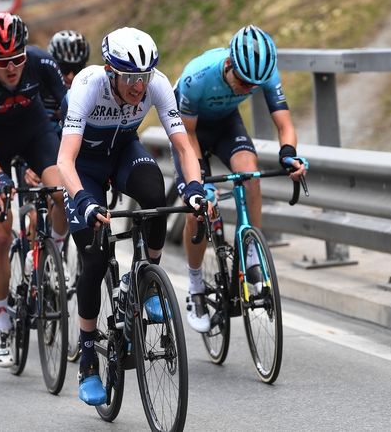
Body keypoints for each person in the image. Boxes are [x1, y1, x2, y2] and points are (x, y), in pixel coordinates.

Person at [56, 27, 207, 405]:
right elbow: (64, 161)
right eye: (130, 79)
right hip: (84, 168)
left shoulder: (157, 84)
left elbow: (184, 147)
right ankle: (88, 355)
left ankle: (146, 282)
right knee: (92, 260)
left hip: (124, 152)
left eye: (144, 78)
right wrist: (84, 201)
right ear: (110, 72)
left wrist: (194, 188)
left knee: (155, 196)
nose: (139, 88)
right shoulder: (88, 86)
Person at [171, 25, 307, 334]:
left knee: (251, 175)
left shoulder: (264, 73)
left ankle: (250, 255)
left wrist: (289, 154)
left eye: (254, 86)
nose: (248, 90)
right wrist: (201, 180)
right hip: (189, 132)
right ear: (229, 64)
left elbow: (285, 125)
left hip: (226, 125)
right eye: (243, 82)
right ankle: (195, 288)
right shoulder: (198, 76)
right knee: (199, 207)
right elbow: (187, 135)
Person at [0, 13, 70, 368]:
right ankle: (2, 321)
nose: (11, 68)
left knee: (62, 193)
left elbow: (70, 112)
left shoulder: (42, 63)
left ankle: (55, 253)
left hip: (35, 132)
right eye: (2, 62)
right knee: (0, 237)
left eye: (17, 59)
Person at [43, 30, 90, 135]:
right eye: (64, 68)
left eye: (77, 68)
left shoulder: (89, 90)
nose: (70, 76)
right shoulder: (39, 86)